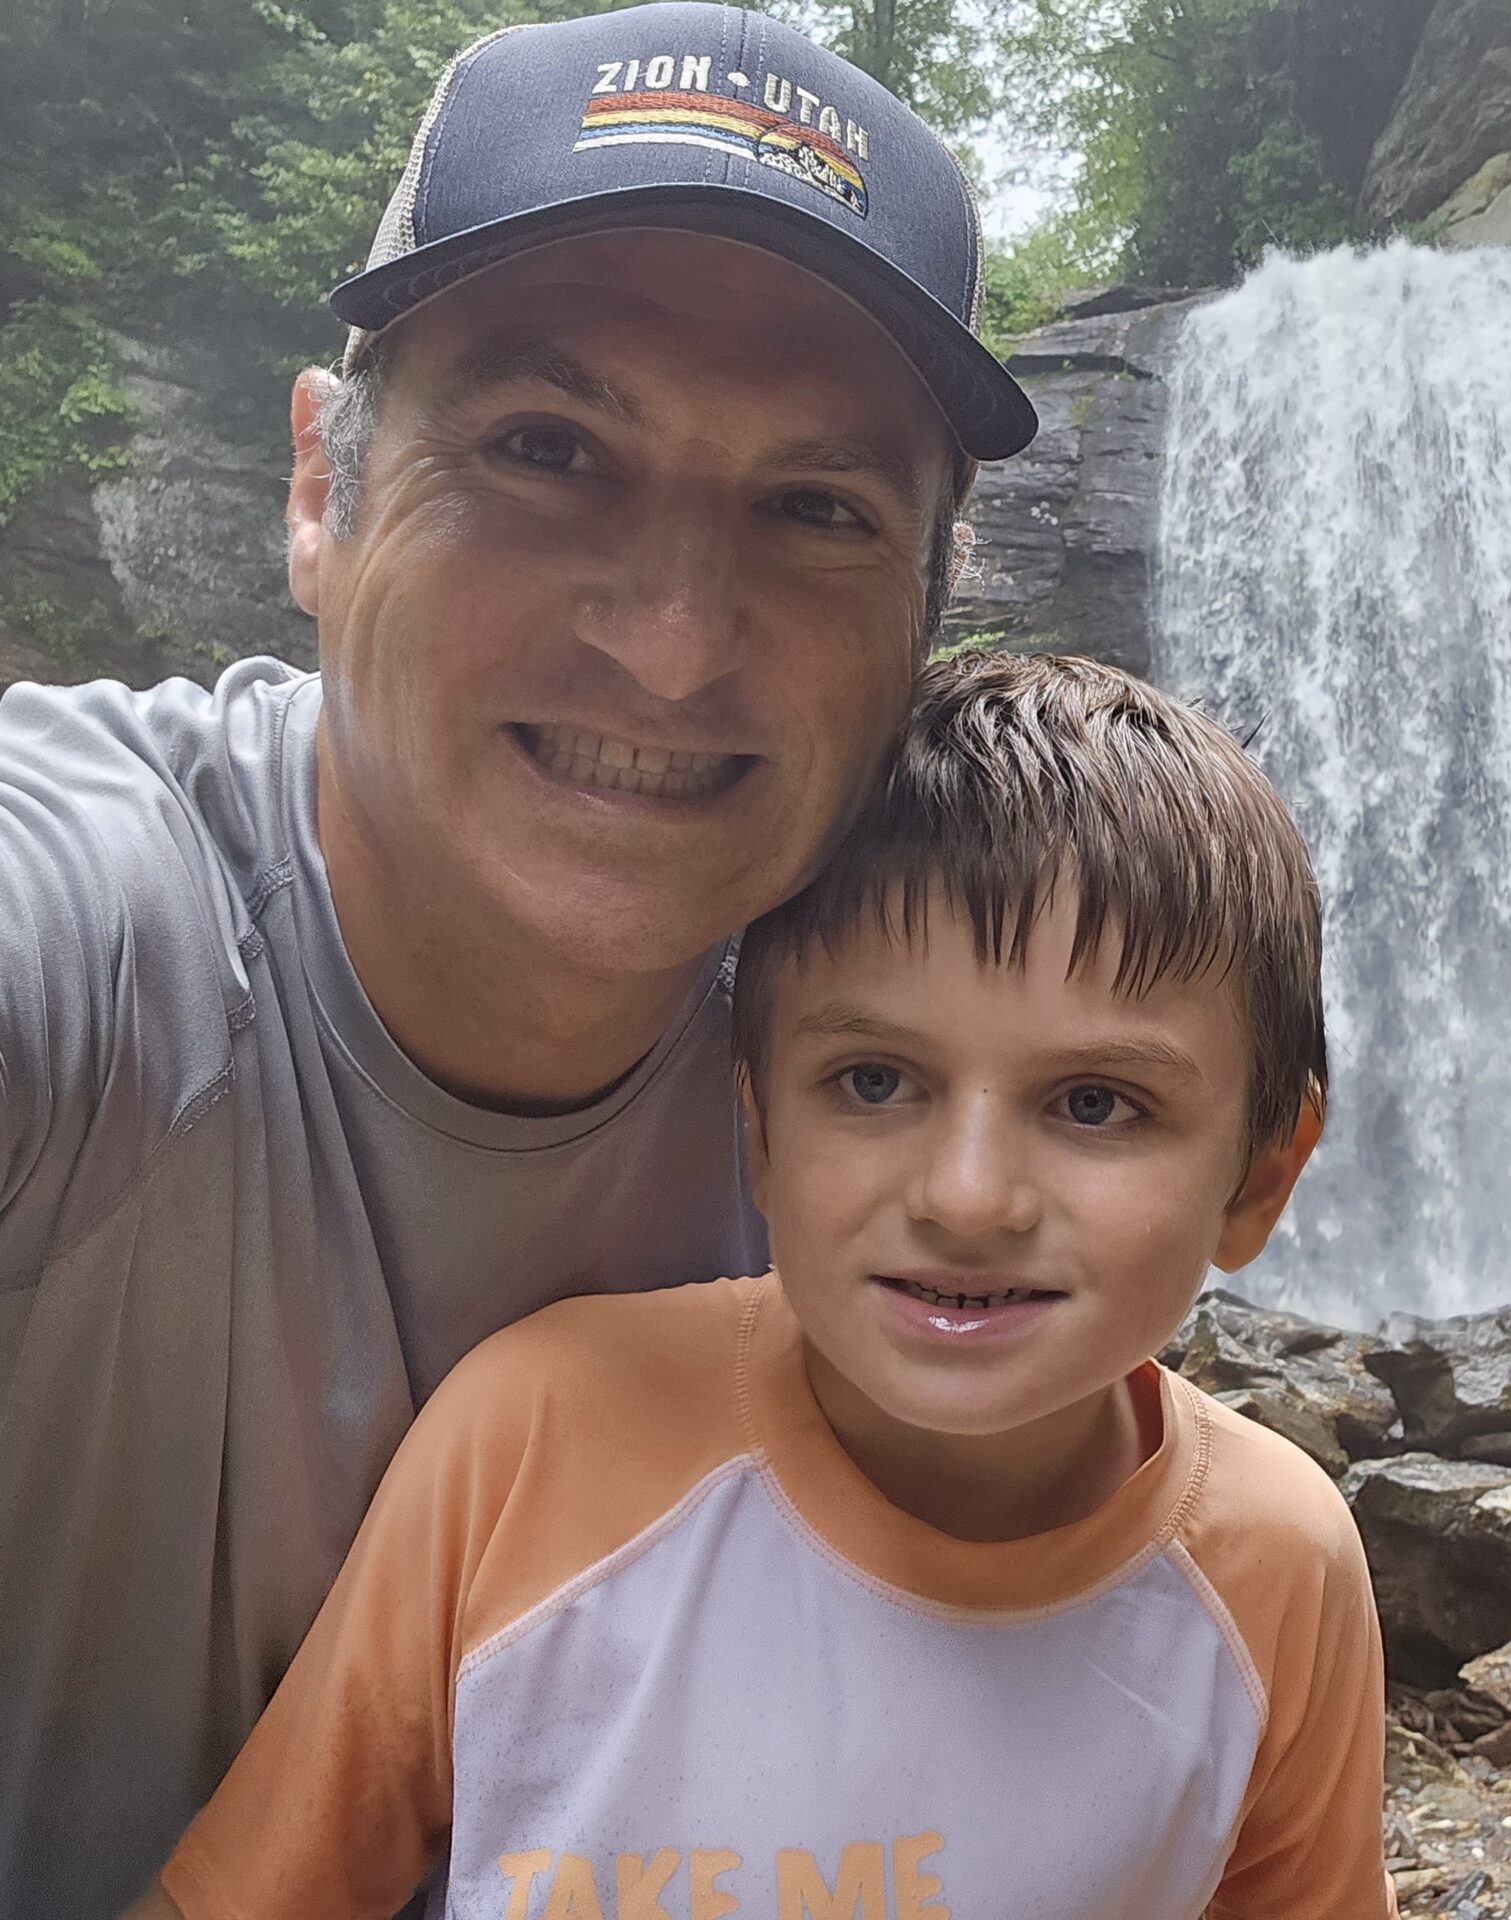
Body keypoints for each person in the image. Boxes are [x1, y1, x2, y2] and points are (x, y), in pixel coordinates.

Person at [0, 7, 1040, 1914]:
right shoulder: (91, 922)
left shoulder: (951, 1102)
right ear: (324, 489)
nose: (669, 638)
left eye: (817, 509)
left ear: (928, 615)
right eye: (546, 445)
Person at [130, 650, 1393, 1920]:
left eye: (1094, 1103)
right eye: (876, 1082)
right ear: (758, 1129)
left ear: (1259, 1180)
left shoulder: (1276, 1571)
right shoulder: (537, 1437)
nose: (967, 1197)